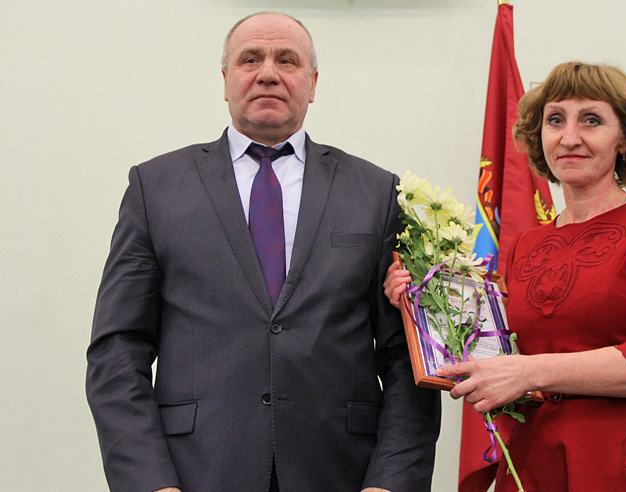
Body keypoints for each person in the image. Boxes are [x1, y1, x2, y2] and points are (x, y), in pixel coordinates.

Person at [87, 12, 440, 492]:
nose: (268, 73)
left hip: (341, 473)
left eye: (287, 60)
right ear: (225, 80)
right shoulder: (156, 188)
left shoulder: (376, 193)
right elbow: (117, 350)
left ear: (313, 84)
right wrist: (150, 483)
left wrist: (390, 483)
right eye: (250, 59)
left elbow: (407, 358)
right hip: (196, 473)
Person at [384, 61, 626, 491]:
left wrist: (531, 372)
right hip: (537, 464)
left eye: (591, 120)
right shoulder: (525, 245)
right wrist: (419, 299)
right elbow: (492, 350)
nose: (569, 137)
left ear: (625, 138)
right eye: (555, 120)